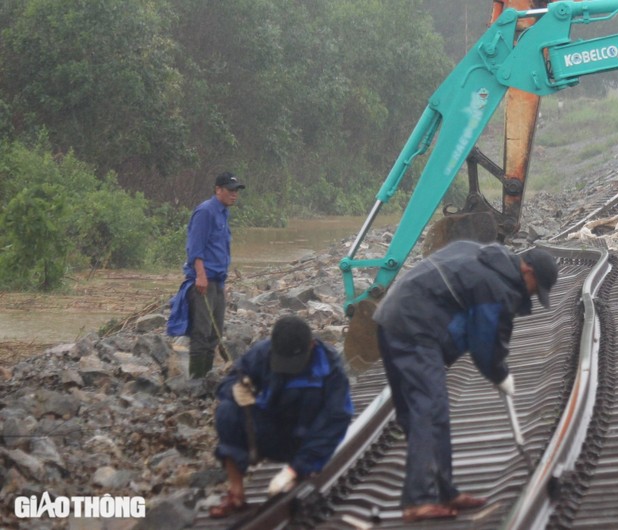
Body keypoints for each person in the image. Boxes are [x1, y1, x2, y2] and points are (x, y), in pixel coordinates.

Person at [372, 240, 558, 522]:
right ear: (528, 270)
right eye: (537, 288)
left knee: (418, 413)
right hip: (415, 329)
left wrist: (496, 368)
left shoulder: (480, 255)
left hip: (393, 319)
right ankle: (418, 500)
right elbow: (486, 343)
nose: (532, 295)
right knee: (430, 409)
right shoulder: (496, 286)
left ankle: (443, 491)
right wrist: (500, 374)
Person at [210, 316, 353, 518]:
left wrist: (296, 469)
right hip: (272, 432)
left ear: (311, 345)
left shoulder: (329, 365)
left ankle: (303, 472)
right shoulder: (262, 352)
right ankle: (235, 492)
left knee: (319, 439)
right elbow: (229, 381)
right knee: (227, 411)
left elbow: (335, 419)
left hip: (306, 439)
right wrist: (235, 390)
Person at [167, 172, 245, 378]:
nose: (234, 195)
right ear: (217, 189)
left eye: (236, 191)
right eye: (230, 190)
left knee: (215, 333)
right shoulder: (206, 212)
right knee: (201, 333)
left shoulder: (223, 212)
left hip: (217, 281)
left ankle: (207, 378)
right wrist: (200, 276)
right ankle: (196, 380)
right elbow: (195, 248)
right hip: (204, 281)